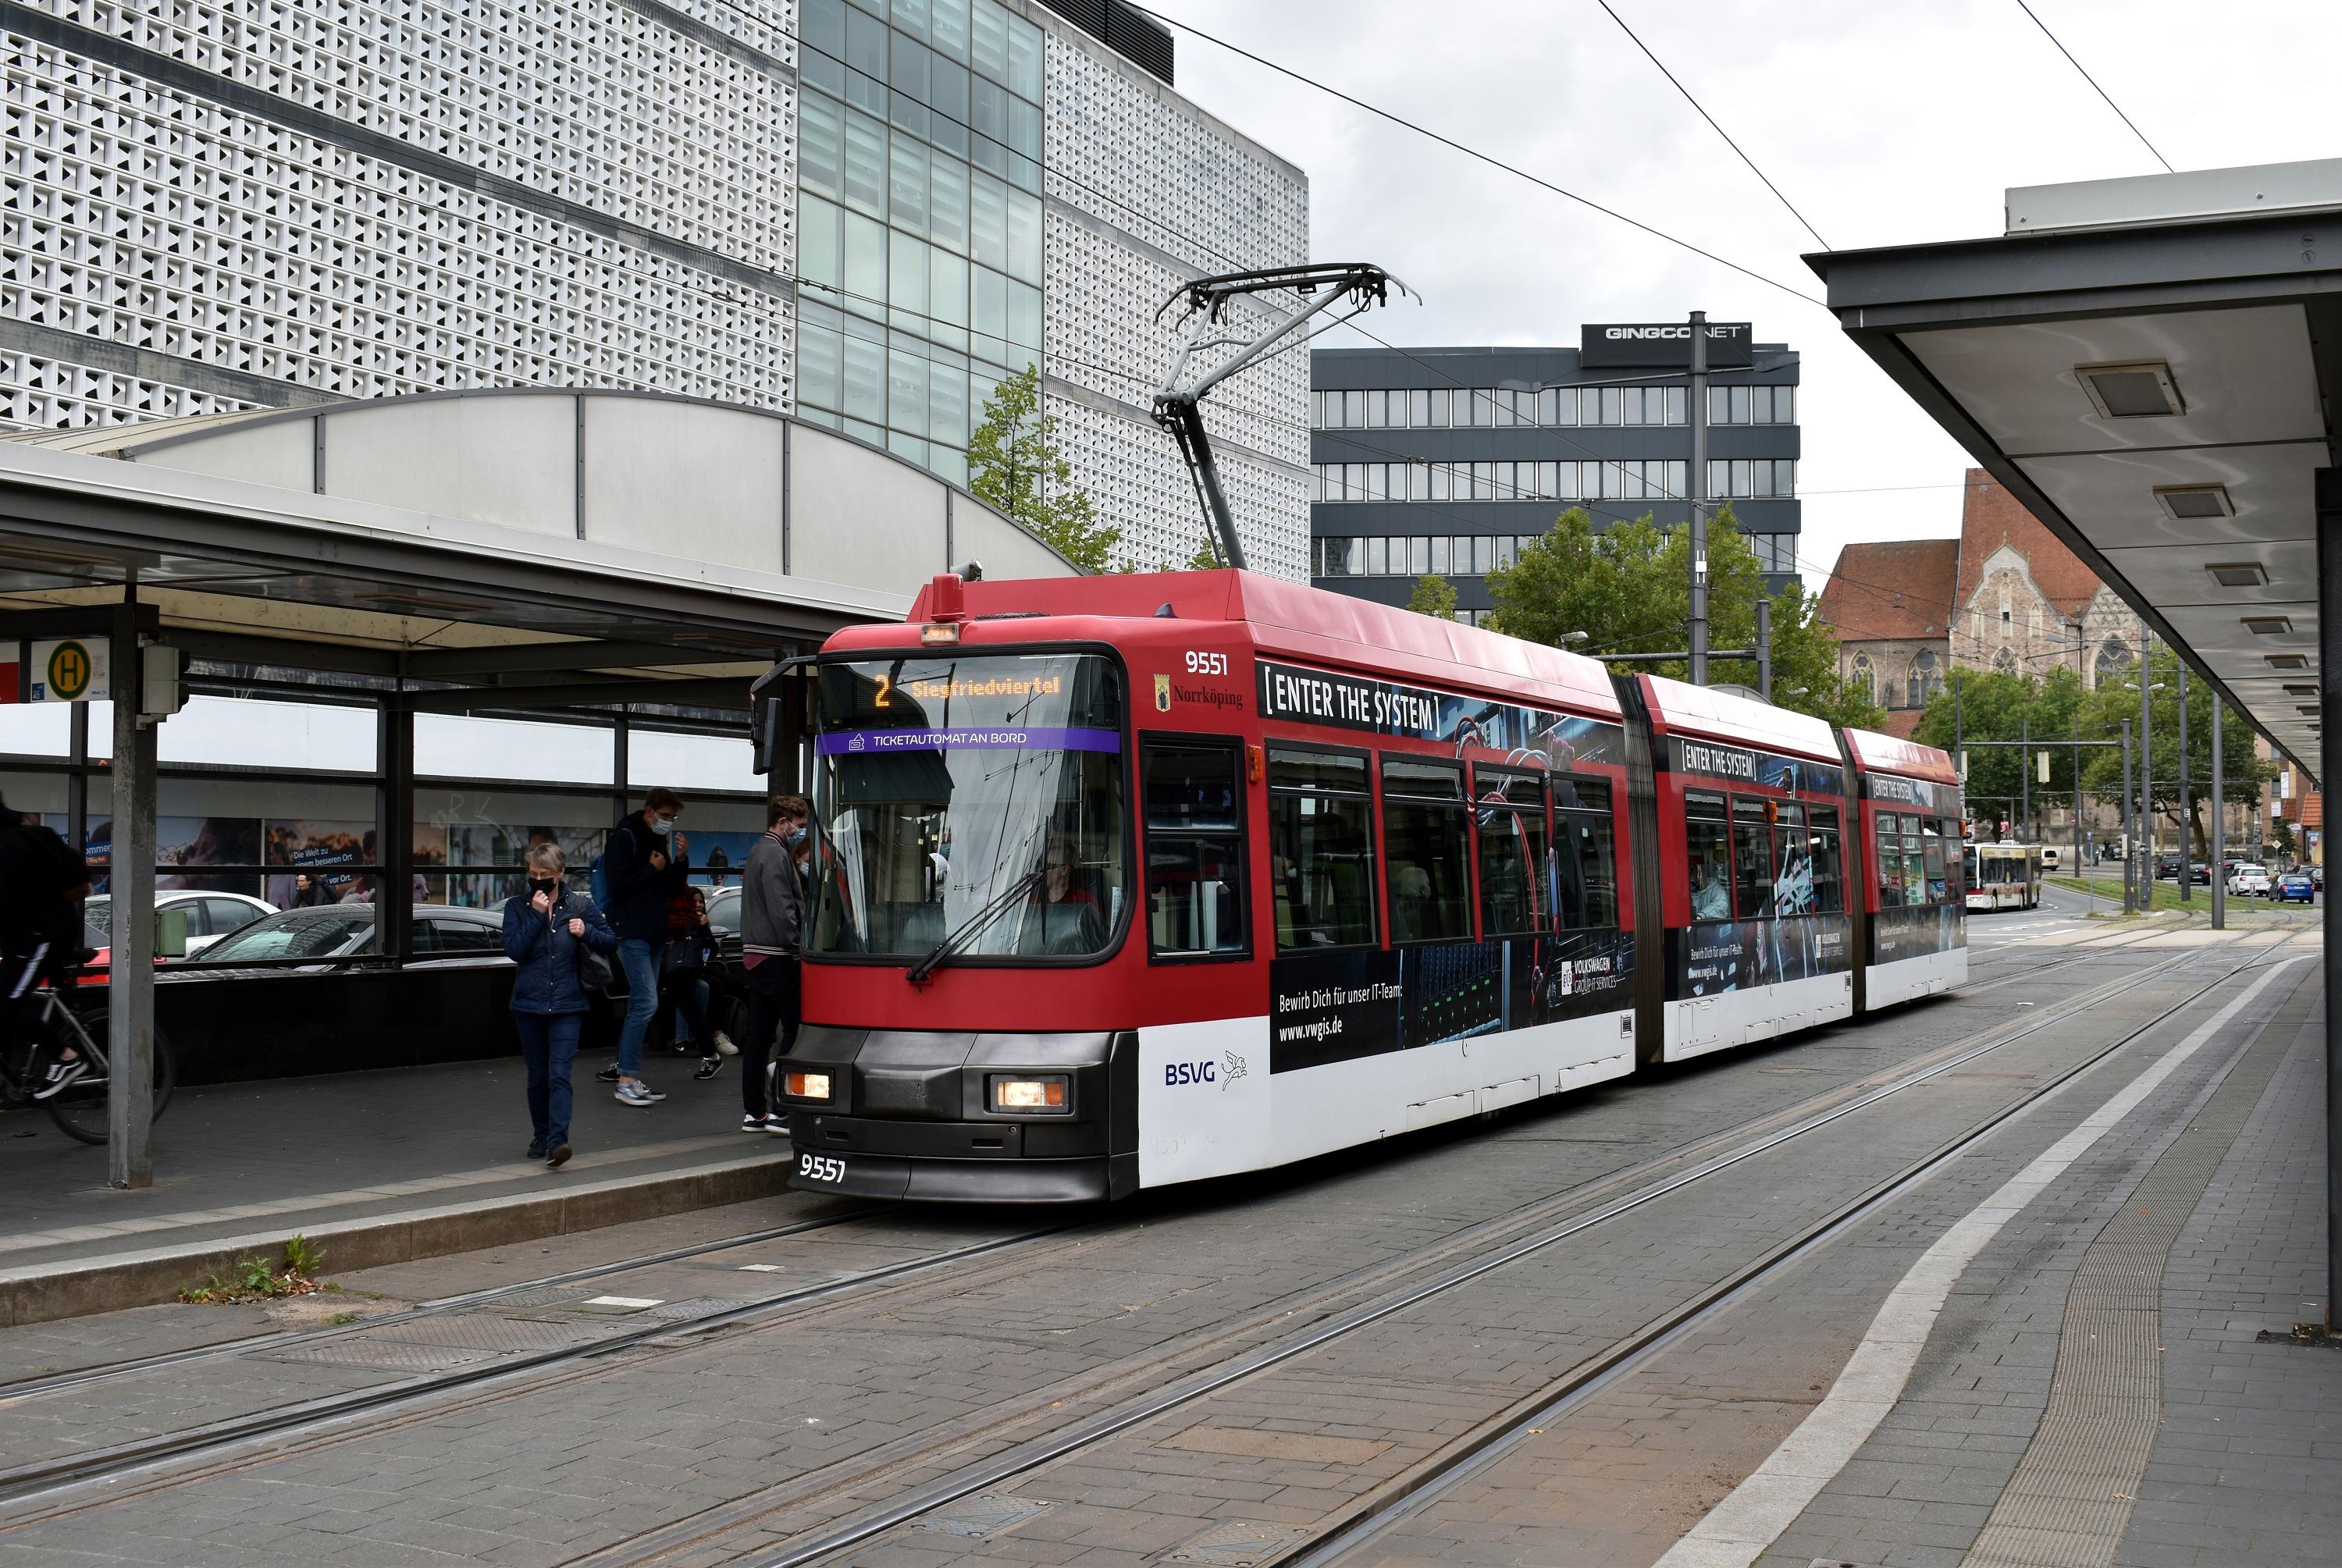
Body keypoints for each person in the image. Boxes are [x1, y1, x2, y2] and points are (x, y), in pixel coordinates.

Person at [501, 842, 617, 1168]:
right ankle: (541, 1134)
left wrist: (587, 931)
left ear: (560, 873)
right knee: (538, 1076)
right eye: (533, 874)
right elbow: (515, 950)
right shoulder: (518, 907)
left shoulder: (579, 905)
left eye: (545, 874)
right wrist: (537, 916)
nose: (538, 879)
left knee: (560, 1075)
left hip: (568, 1004)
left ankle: (557, 1142)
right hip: (528, 1005)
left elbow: (610, 941)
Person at [596, 787, 689, 1107]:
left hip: (652, 932)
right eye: (664, 816)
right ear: (649, 811)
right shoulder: (625, 836)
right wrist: (652, 869)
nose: (668, 822)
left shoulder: (655, 840)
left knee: (641, 1003)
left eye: (672, 818)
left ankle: (627, 1074)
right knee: (647, 1003)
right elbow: (618, 884)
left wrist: (680, 860)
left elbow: (671, 889)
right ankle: (626, 1080)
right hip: (631, 931)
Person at [0, 800, 91, 1097]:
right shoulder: (19, 839)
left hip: (42, 937)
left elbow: (9, 904)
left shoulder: (11, 848)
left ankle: (66, 1058)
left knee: (6, 1005)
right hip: (33, 937)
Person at [739, 795, 808, 1135]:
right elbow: (784, 910)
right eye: (799, 825)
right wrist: (797, 947)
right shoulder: (776, 854)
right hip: (778, 956)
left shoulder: (755, 852)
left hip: (755, 956)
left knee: (758, 1037)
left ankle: (755, 1113)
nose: (799, 832)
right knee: (794, 1030)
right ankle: (782, 1107)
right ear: (784, 823)